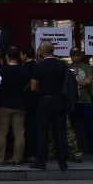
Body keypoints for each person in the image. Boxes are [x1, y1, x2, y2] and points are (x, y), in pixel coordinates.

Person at [29, 41, 70, 171]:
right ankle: (63, 162)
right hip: (59, 101)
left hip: (44, 101)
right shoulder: (63, 65)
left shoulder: (40, 66)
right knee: (60, 132)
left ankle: (41, 161)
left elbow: (33, 86)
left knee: (43, 132)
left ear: (41, 51)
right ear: (53, 51)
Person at [0, 46, 31, 165]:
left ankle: (0, 158)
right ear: (19, 56)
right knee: (19, 133)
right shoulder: (24, 70)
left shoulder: (1, 70)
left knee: (1, 133)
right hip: (19, 105)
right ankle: (17, 158)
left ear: (7, 56)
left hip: (3, 104)